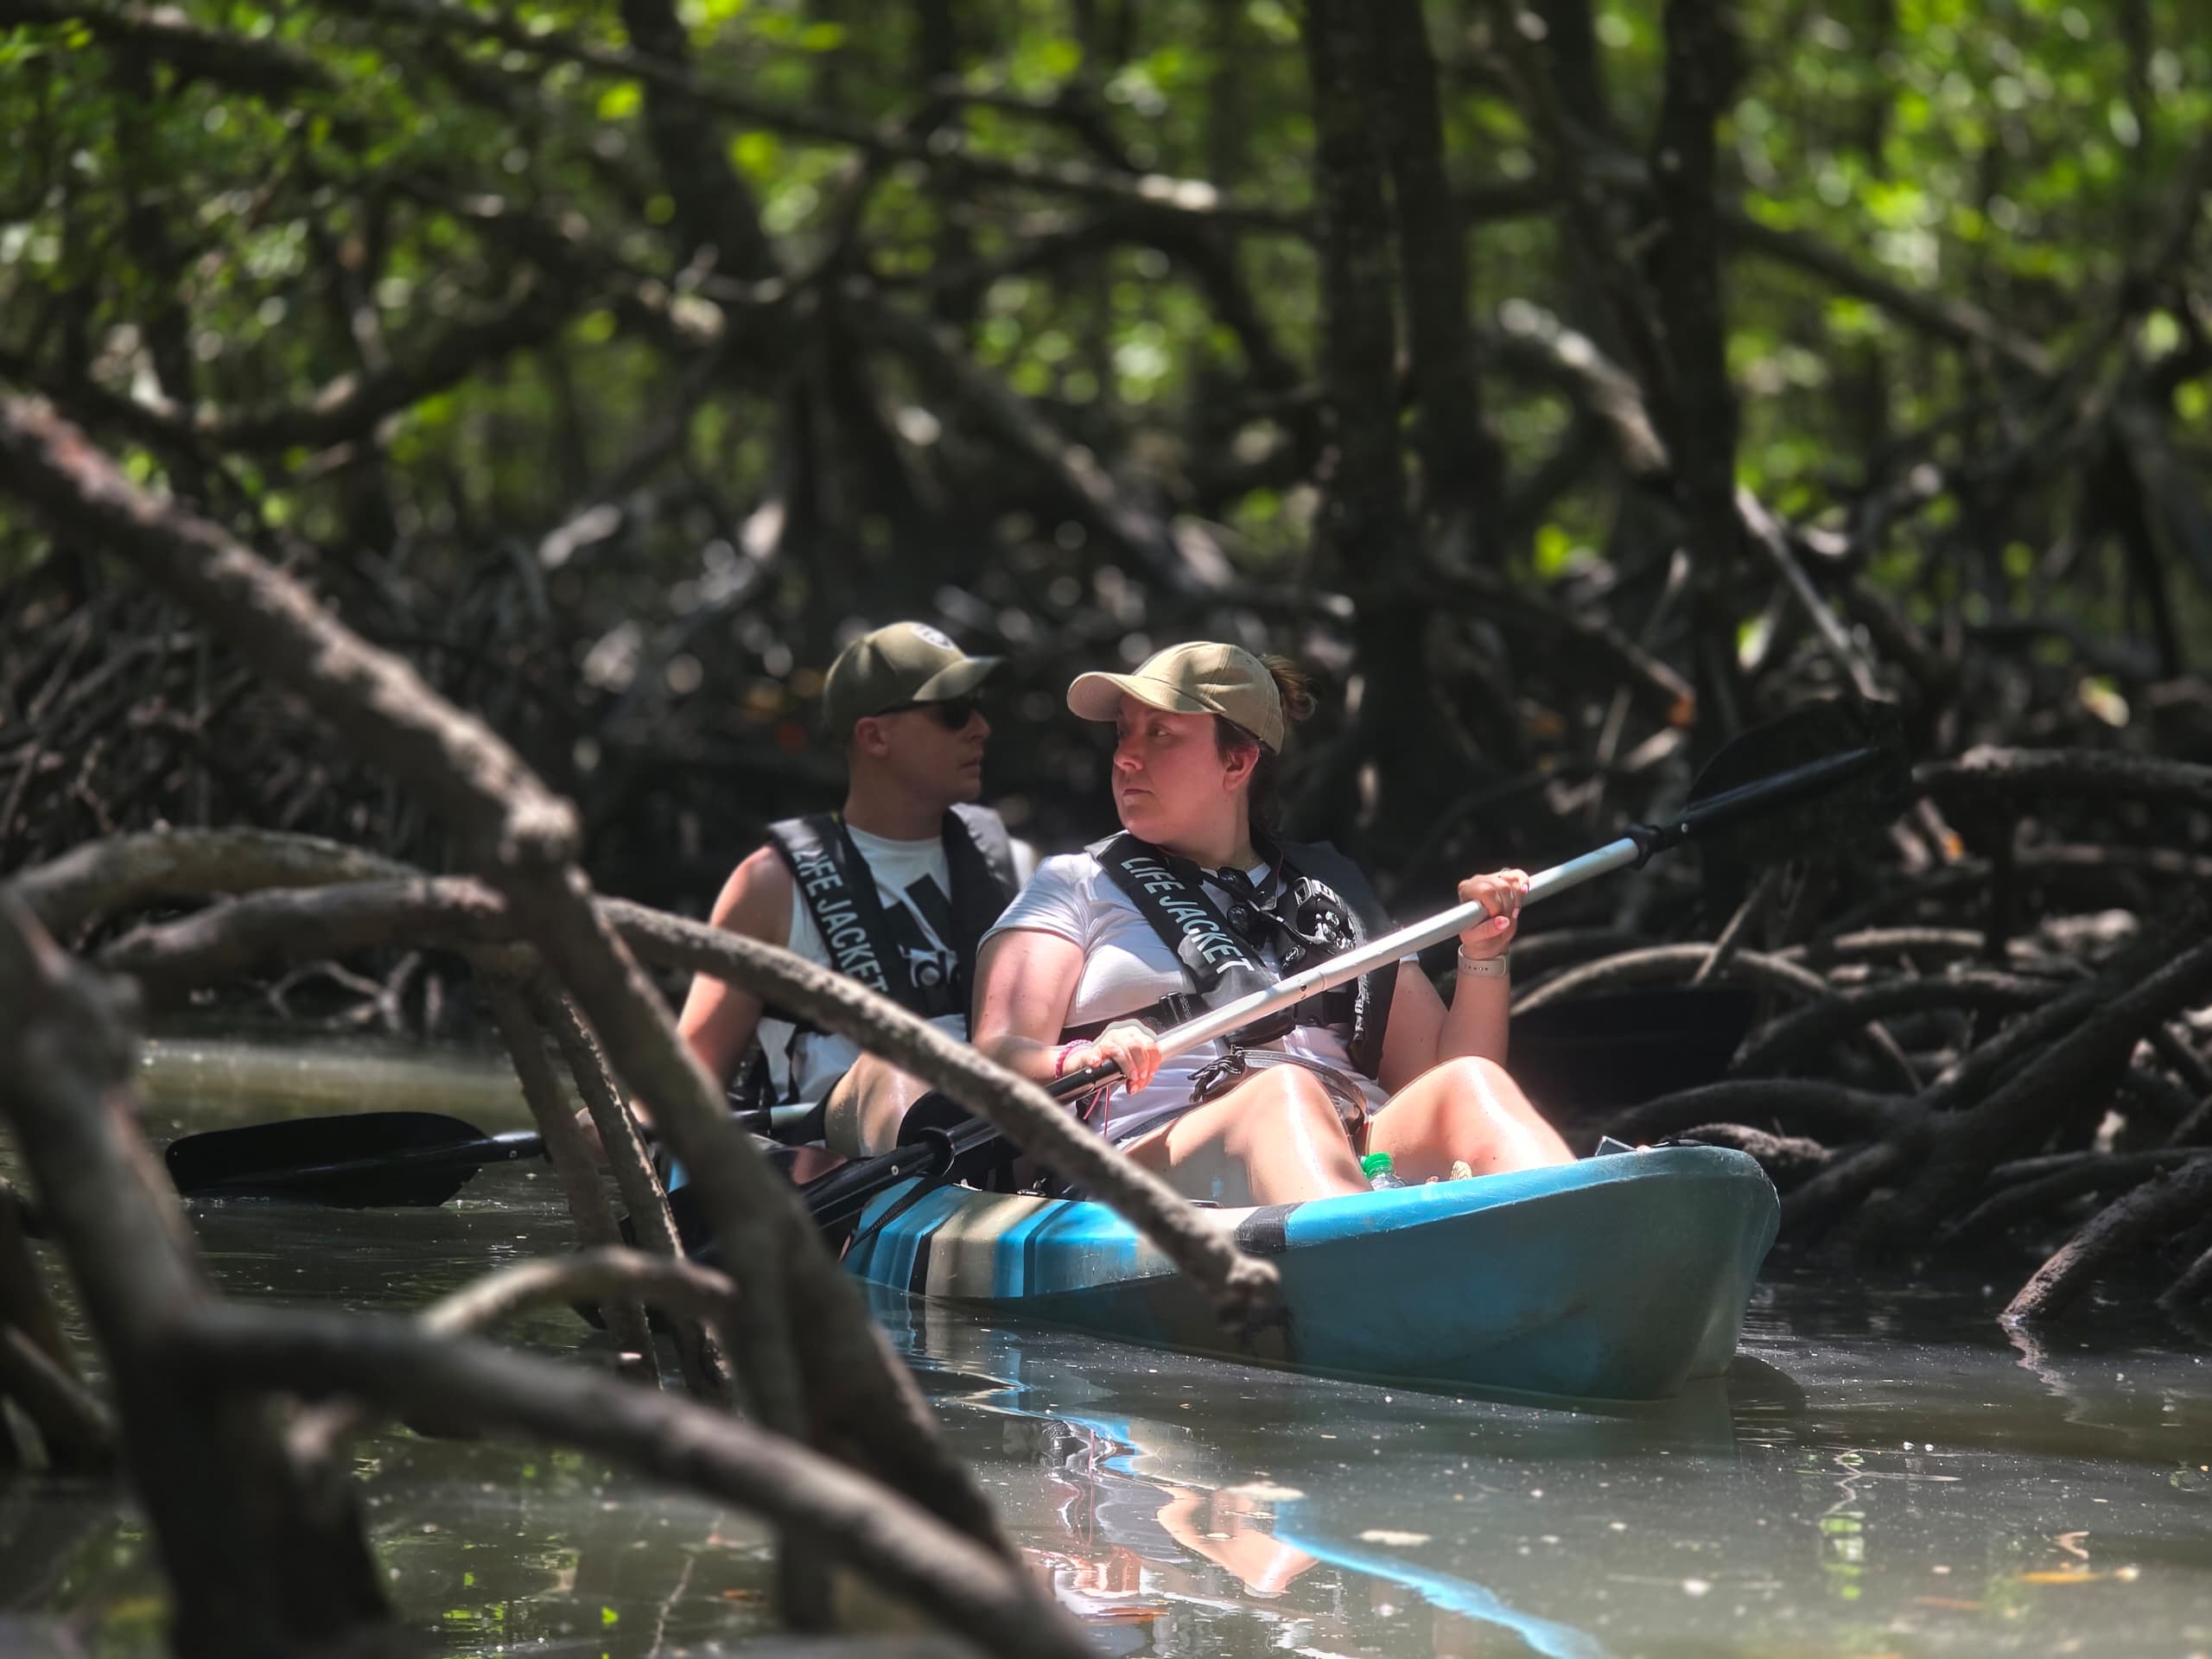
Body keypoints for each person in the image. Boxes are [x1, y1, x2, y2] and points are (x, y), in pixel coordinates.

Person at [971, 640, 1573, 1208]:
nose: (1127, 756)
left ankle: (1581, 1231)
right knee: (1283, 1094)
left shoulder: (1333, 897)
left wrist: (1482, 954)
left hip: (1353, 1140)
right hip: (1155, 1155)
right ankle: (1368, 1262)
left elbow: (1435, 1079)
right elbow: (993, 1055)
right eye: (1125, 733)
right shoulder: (1075, 883)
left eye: (1161, 735)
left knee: (1470, 1084)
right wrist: (1079, 1057)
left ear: (1237, 763)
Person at [666, 621, 1031, 1164]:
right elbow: (688, 1081)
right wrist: (622, 1121)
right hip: (836, 1186)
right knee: (894, 1071)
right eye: (953, 711)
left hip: (995, 1159)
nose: (980, 727)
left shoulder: (1019, 869)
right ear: (874, 736)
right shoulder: (769, 887)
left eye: (977, 706)